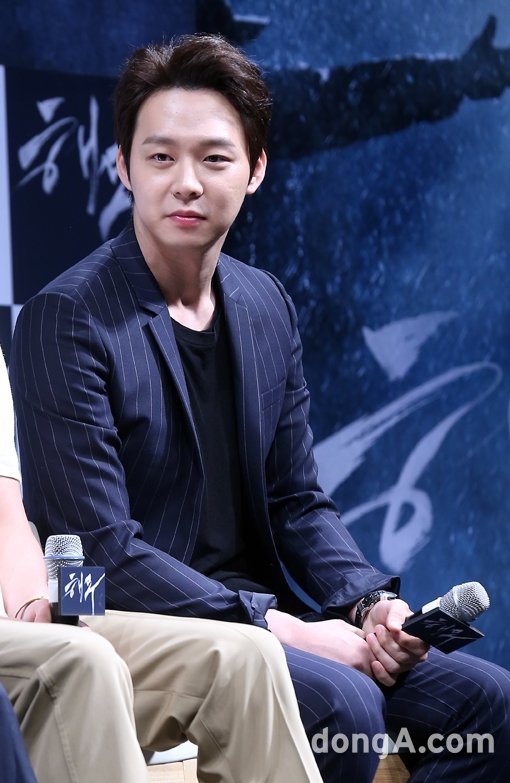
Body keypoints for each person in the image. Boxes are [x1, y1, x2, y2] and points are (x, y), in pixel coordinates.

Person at [9, 33, 510, 782]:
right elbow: (100, 547)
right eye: (160, 157)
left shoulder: (264, 301)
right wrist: (287, 631)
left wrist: (368, 604)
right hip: (148, 627)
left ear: (255, 170)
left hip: (268, 617)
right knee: (346, 705)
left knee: (491, 703)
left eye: (214, 158)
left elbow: (296, 499)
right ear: (122, 167)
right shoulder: (66, 317)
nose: (186, 182)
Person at [0, 347, 321, 783]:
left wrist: (32, 604)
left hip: (13, 621)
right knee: (85, 662)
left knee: (247, 657)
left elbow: (6, 516)